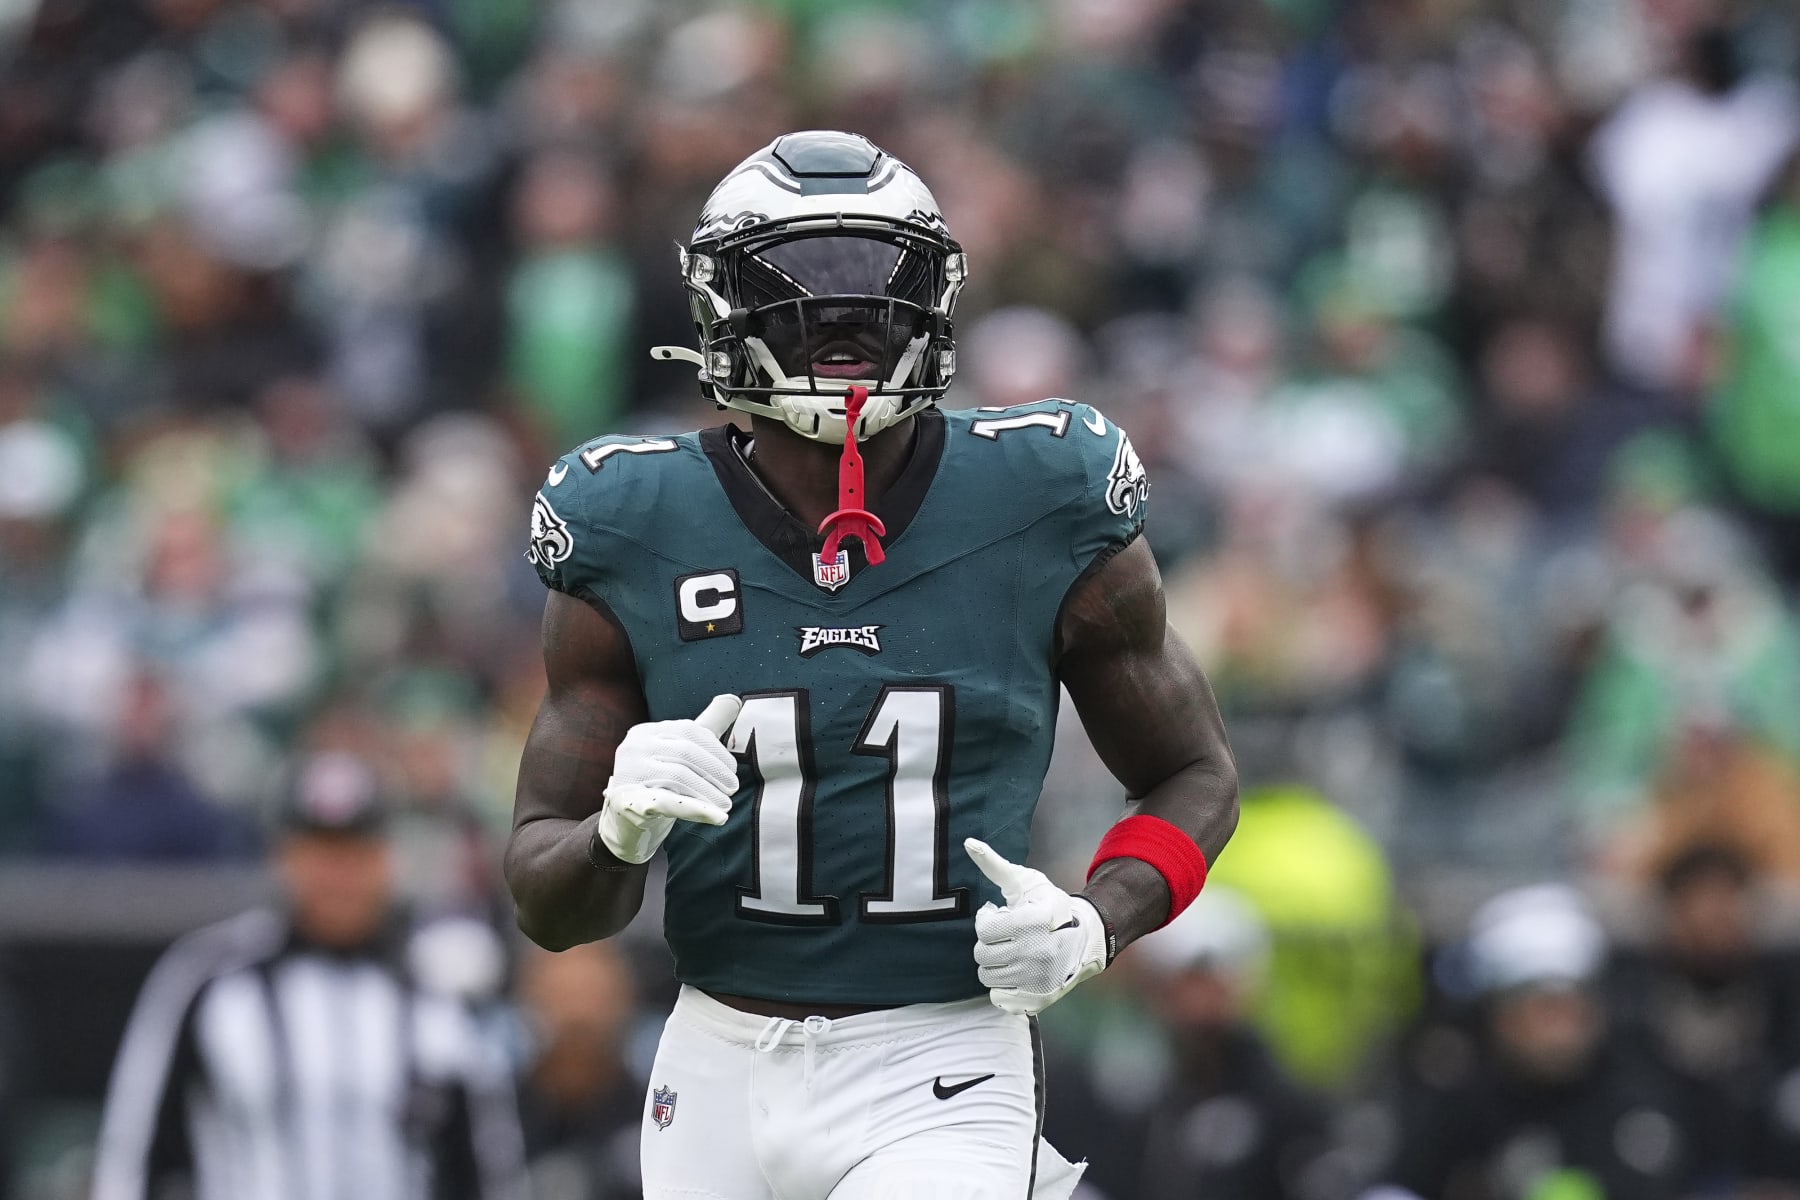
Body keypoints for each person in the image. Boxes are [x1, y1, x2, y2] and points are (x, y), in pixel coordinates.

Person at [505, 130, 1239, 1200]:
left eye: (876, 279)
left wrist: (1097, 921)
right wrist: (617, 832)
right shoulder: (630, 520)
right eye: (799, 282)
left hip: (939, 1057)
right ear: (720, 304)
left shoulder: (1042, 499)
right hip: (713, 1064)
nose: (843, 319)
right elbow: (547, 899)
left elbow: (1195, 772)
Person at [93, 752, 527, 1200]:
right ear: (284, 858)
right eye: (320, 852)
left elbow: (489, 1168)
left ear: (386, 860)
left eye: (355, 852)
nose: (337, 876)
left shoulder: (438, 993)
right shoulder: (208, 978)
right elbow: (134, 1157)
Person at [1374, 885, 1690, 1200]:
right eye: (1545, 1010)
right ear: (1502, 1017)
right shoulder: (1458, 1101)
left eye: (1573, 1008)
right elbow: (1398, 1188)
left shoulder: (1636, 1097)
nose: (1563, 1030)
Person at [515, 941, 644, 1200]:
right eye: (562, 996)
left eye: (593, 996)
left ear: (625, 1002)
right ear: (527, 1000)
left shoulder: (655, 1121)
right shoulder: (498, 1118)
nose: (578, 1015)